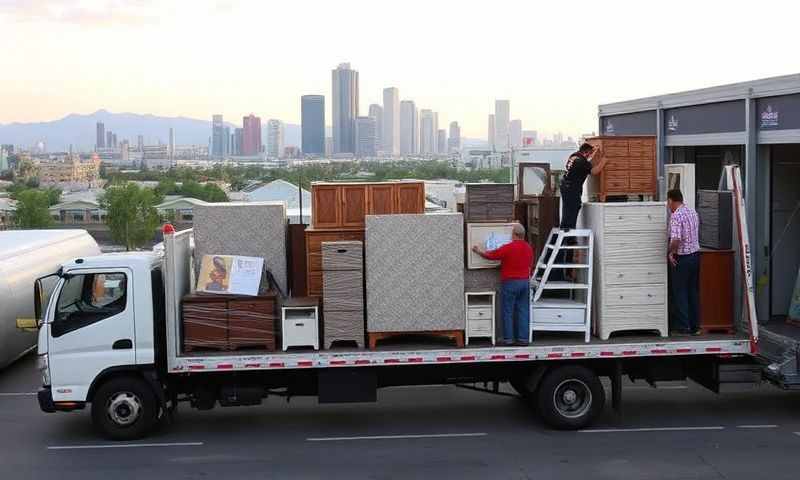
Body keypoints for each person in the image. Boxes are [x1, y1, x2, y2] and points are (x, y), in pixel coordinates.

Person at [472, 223, 534, 346]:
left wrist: (478, 251)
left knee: (508, 311)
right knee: (523, 310)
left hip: (510, 282)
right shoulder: (529, 248)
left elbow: (491, 255)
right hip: (524, 282)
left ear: (514, 234)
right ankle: (523, 339)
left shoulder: (508, 247)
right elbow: (529, 264)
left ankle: (509, 339)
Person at [667, 189, 701, 335]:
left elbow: (676, 239)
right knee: (692, 291)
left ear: (670, 200)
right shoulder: (692, 212)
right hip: (695, 256)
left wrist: (671, 253)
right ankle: (695, 326)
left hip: (683, 258)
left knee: (679, 291)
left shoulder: (676, 216)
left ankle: (683, 326)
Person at [559, 142, 608, 231]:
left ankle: (564, 232)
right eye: (589, 154)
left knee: (567, 211)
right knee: (572, 211)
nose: (590, 156)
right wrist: (603, 162)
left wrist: (594, 150)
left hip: (565, 186)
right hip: (572, 188)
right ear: (586, 152)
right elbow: (594, 171)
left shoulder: (574, 156)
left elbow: (588, 164)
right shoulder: (581, 162)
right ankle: (569, 236)